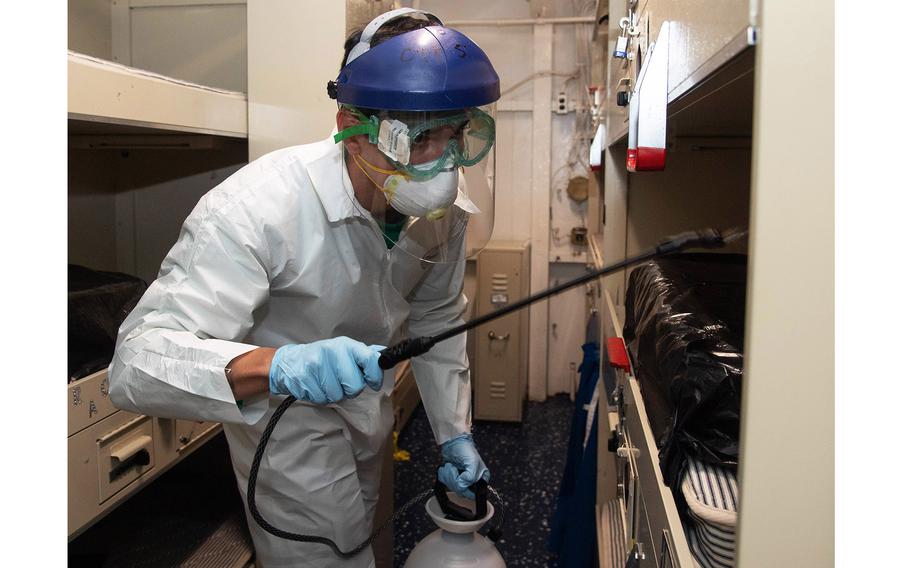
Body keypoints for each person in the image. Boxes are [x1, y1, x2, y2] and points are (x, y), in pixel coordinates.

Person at [108, 7, 501, 568]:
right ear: (350, 129)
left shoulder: (443, 212)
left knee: (359, 538)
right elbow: (136, 362)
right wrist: (278, 365)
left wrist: (453, 433)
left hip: (370, 411)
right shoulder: (257, 208)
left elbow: (437, 319)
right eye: (416, 138)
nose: (443, 166)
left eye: (456, 135)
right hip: (284, 423)